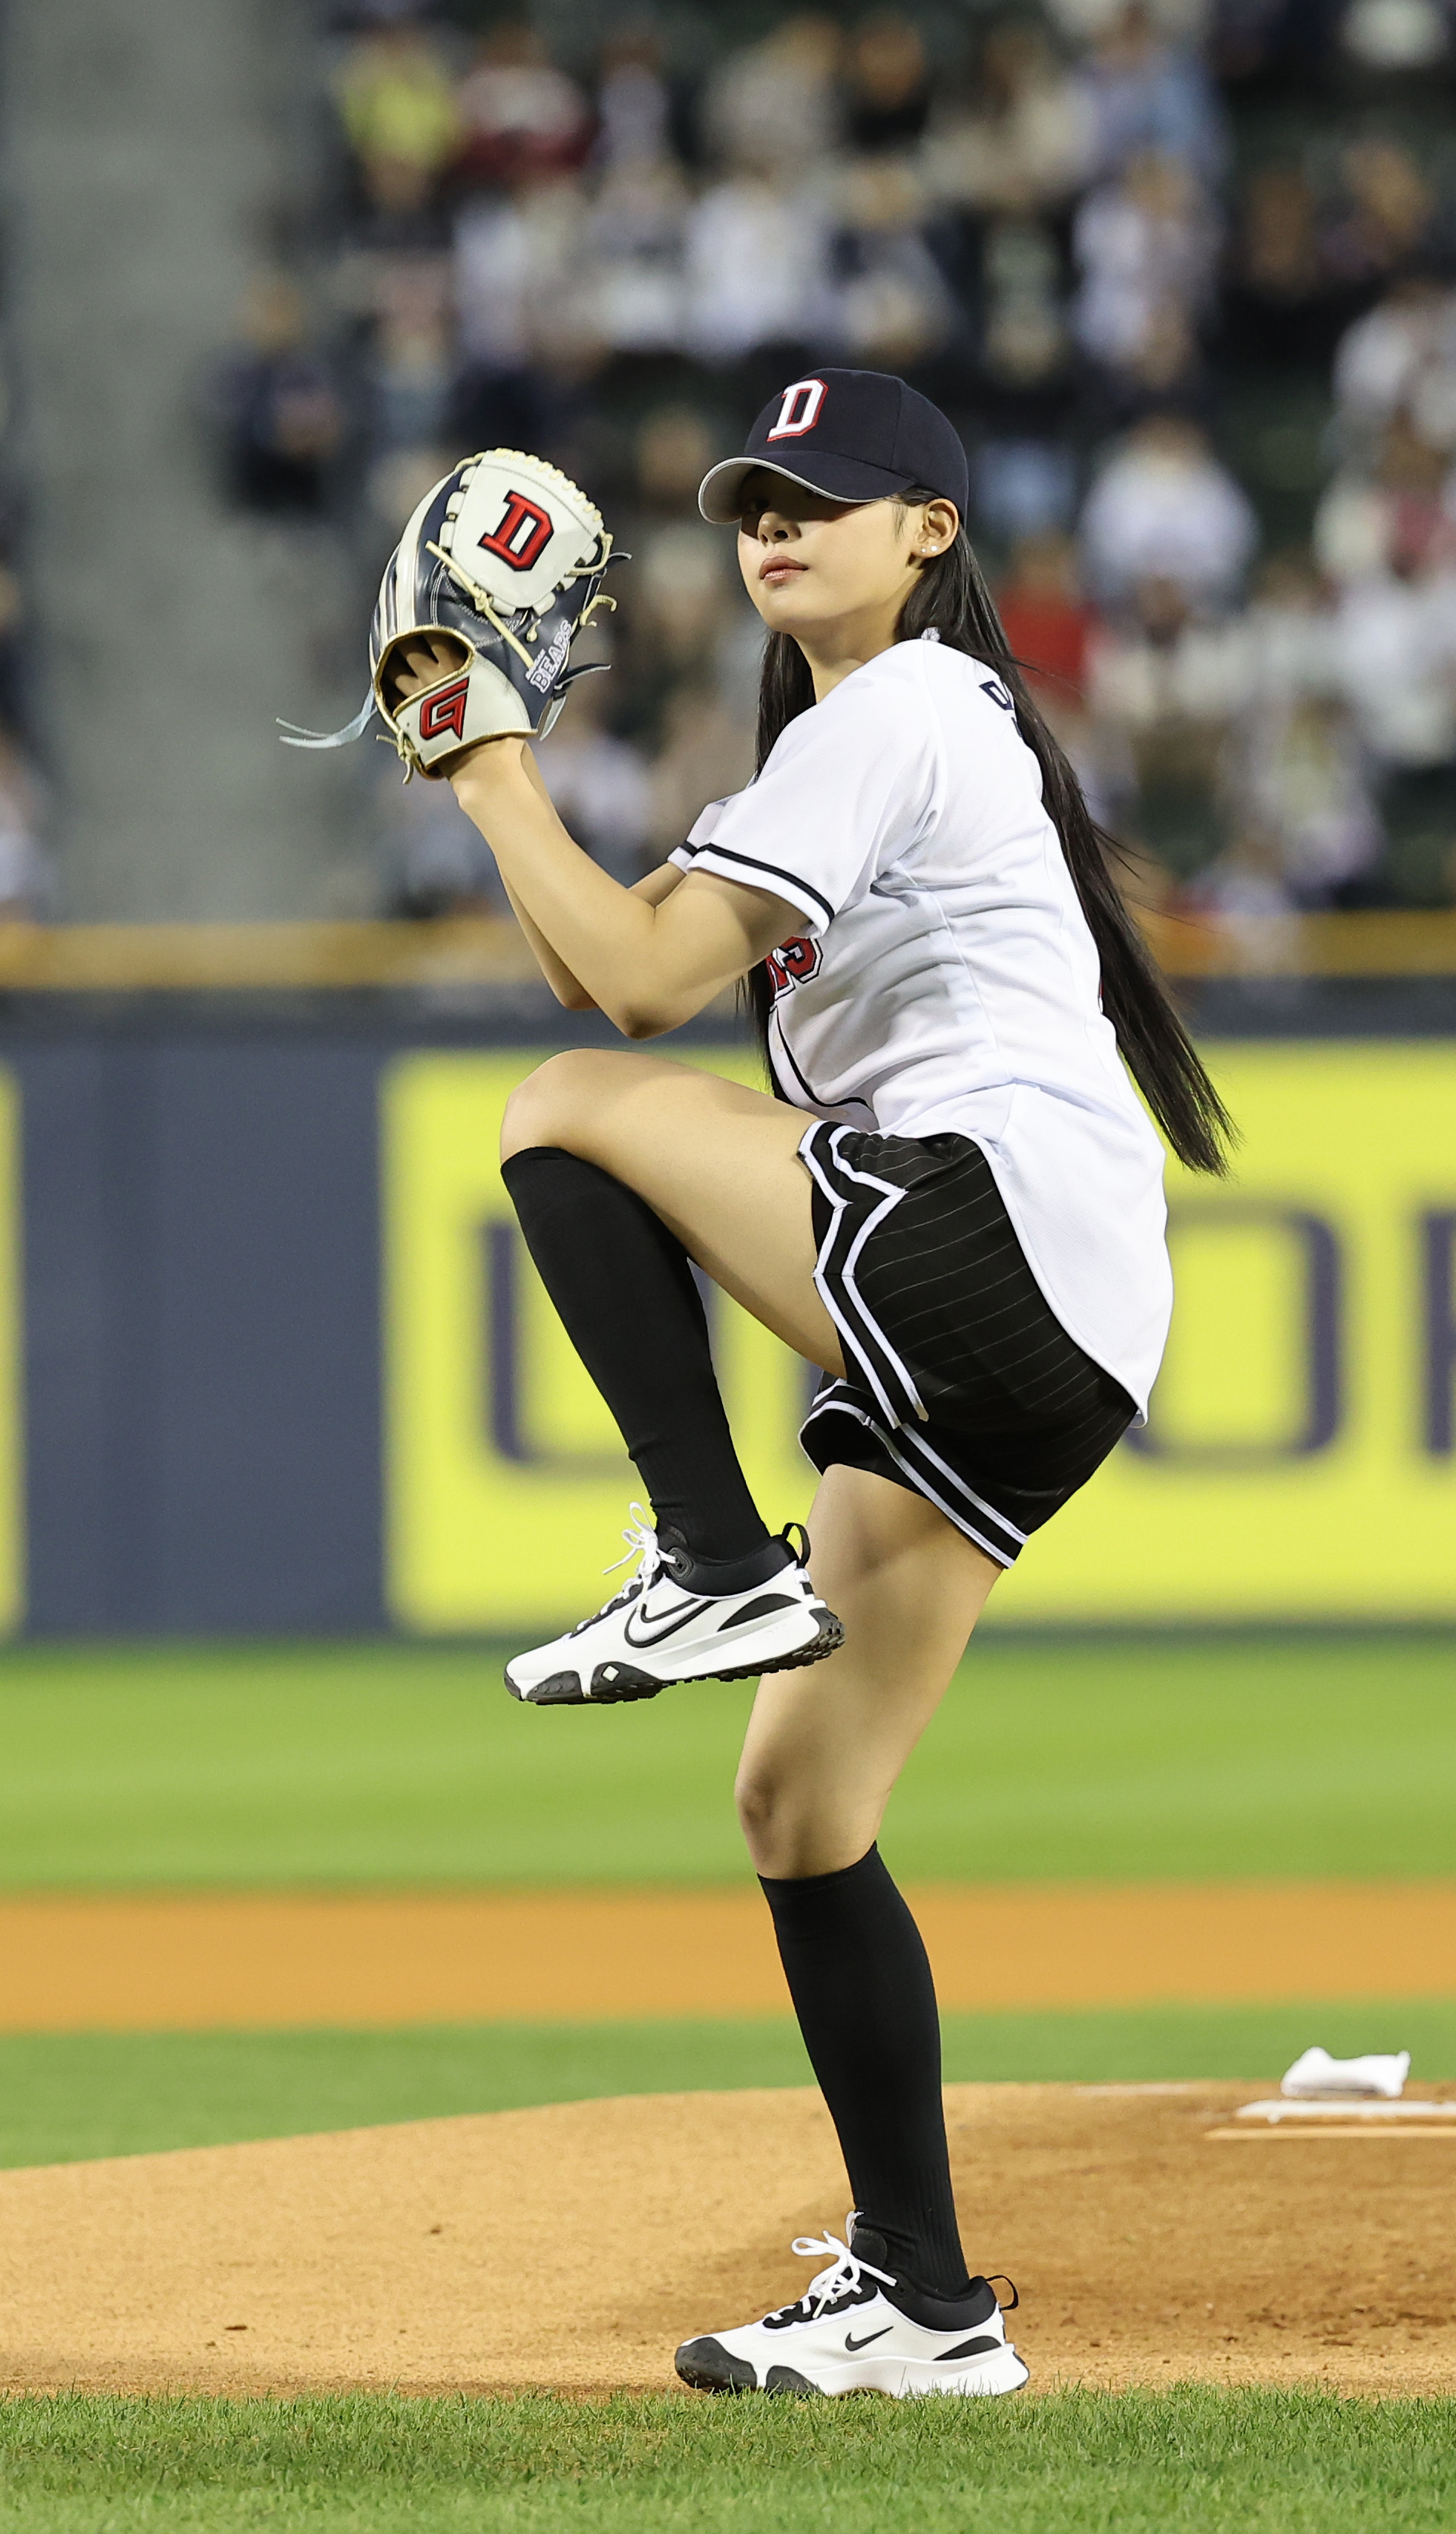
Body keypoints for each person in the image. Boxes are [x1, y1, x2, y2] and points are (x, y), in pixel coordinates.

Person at [387, 369, 1233, 2400]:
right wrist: (496, 774)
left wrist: (492, 766)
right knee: (797, 1800)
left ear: (931, 533)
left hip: (986, 1228)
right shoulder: (870, 736)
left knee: (565, 1107)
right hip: (1056, 1325)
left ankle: (702, 1553)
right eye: (756, 501)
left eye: (826, 500)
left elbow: (634, 989)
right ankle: (924, 2300)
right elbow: (639, 947)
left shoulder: (909, 708)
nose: (775, 526)